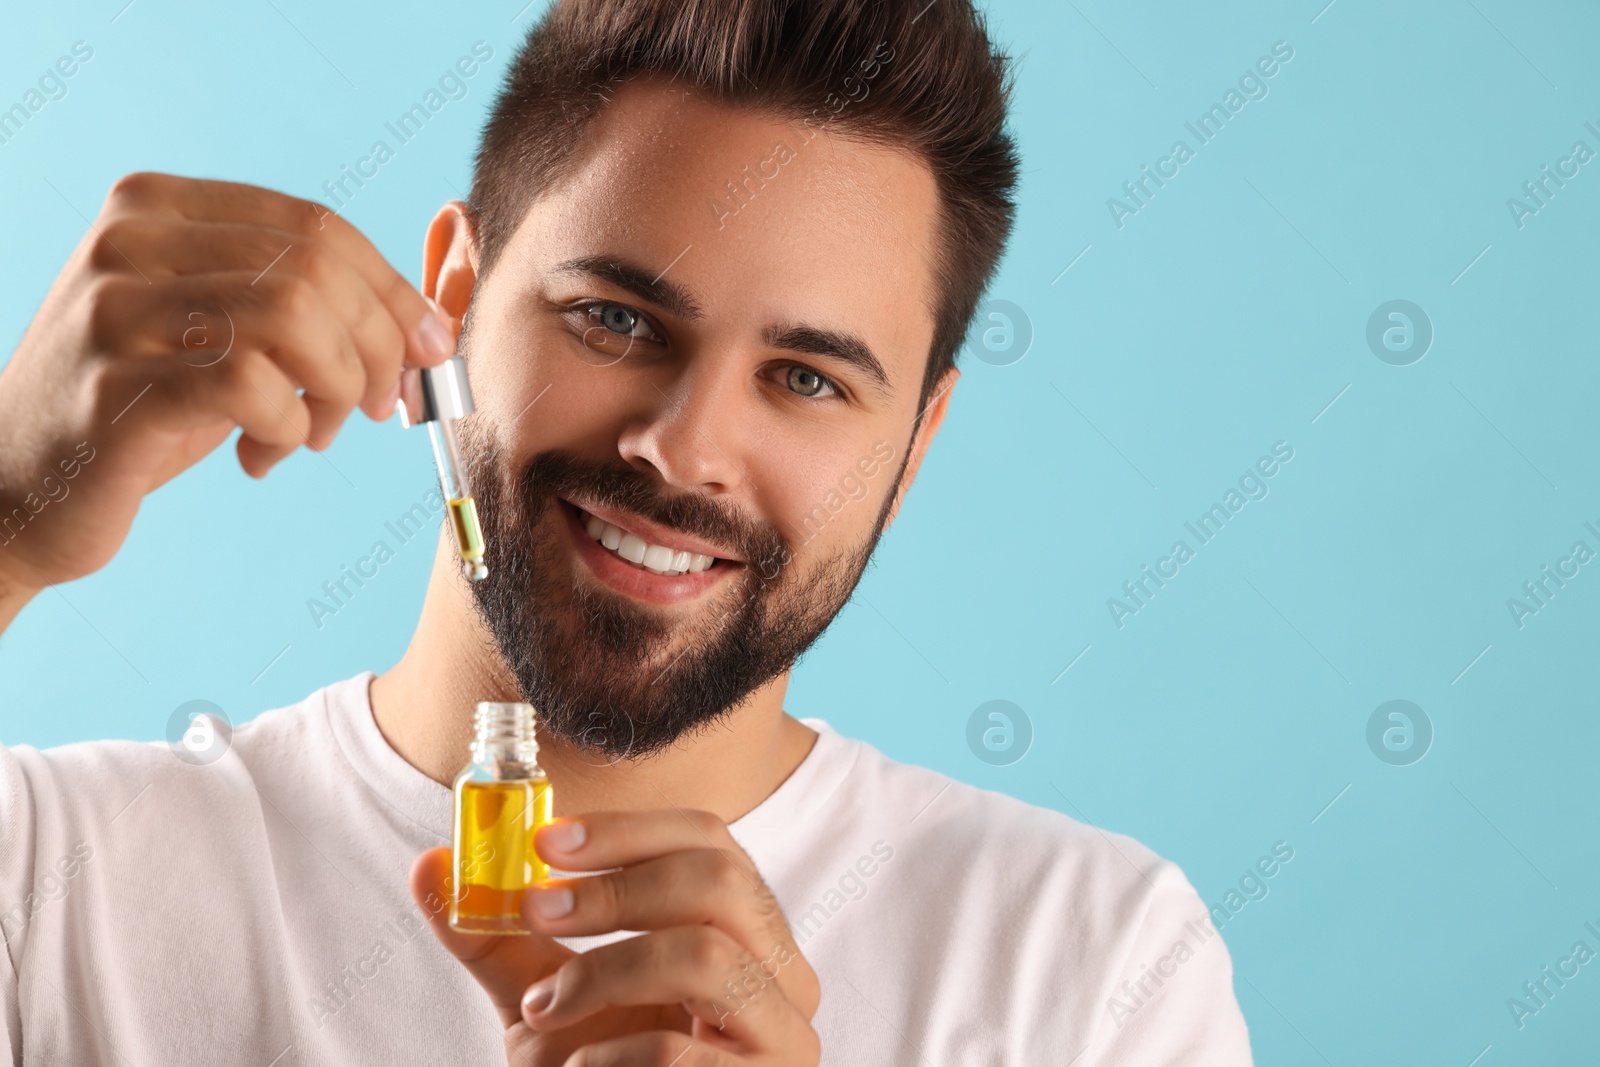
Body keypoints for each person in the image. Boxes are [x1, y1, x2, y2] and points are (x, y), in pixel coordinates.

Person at [0, 1, 1253, 1063]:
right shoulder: (51, 881)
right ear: (455, 296)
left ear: (914, 445)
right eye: (614, 319)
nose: (681, 447)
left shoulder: (1090, 968)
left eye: (808, 379)